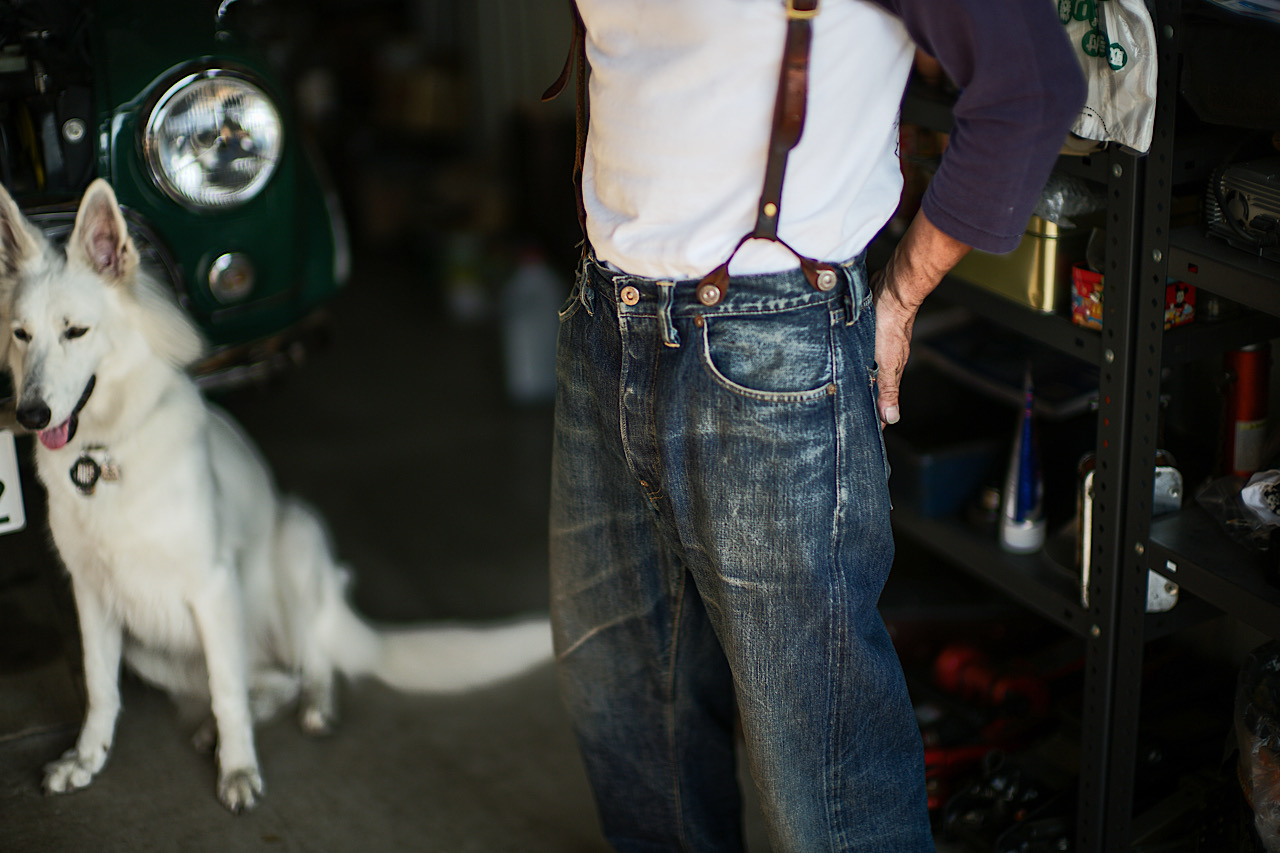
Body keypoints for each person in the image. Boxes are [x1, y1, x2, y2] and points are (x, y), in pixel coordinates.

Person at [547, 1, 1085, 850]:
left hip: (767, 348)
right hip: (603, 322)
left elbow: (1032, 84)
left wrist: (900, 295)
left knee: (824, 780)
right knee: (628, 703)